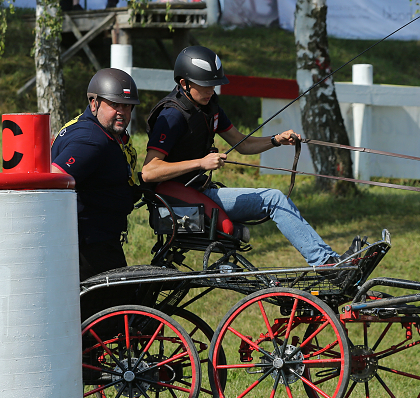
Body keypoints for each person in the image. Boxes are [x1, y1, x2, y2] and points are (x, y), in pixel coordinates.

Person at [141, 45, 358, 267]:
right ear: (184, 83)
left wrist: (276, 140)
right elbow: (149, 172)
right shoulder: (172, 115)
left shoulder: (209, 108)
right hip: (179, 200)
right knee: (274, 199)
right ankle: (327, 263)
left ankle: (331, 261)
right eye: (205, 85)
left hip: (201, 191)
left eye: (214, 85)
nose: (211, 91)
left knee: (274, 199)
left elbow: (242, 144)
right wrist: (201, 162)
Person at [51, 68, 140, 281]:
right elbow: (52, 179)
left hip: (94, 243)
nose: (122, 112)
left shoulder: (92, 129)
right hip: (90, 249)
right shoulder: (92, 141)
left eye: (127, 106)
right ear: (94, 103)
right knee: (118, 310)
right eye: (114, 105)